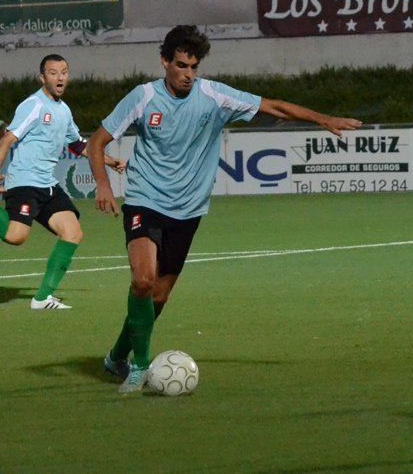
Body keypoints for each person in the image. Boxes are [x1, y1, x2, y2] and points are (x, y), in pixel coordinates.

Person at [88, 25, 362, 393]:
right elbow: (98, 140)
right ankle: (139, 367)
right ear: (164, 62)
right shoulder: (142, 97)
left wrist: (323, 119)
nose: (188, 74)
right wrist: (103, 185)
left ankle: (116, 357)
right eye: (181, 65)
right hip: (145, 200)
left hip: (187, 210)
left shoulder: (214, 96)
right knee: (142, 280)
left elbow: (272, 106)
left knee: (158, 297)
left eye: (194, 67)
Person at [0, 54, 125, 310]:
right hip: (24, 182)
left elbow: (78, 144)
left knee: (73, 232)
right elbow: (7, 139)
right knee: (16, 237)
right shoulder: (33, 105)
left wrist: (109, 160)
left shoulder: (64, 110)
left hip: (47, 184)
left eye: (64, 72)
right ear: (42, 78)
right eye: (53, 72)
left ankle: (42, 298)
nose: (60, 77)